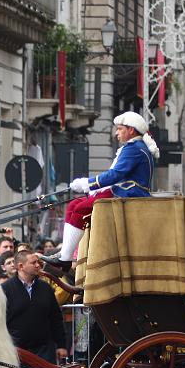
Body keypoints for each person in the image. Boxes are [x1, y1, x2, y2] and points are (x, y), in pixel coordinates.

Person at [42, 111, 158, 270]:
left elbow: (115, 175)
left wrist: (88, 184)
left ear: (131, 130)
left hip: (127, 194)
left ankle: (66, 258)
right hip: (122, 191)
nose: (117, 133)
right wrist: (96, 187)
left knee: (81, 208)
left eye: (120, 129)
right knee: (74, 205)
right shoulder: (135, 147)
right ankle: (65, 254)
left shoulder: (133, 148)